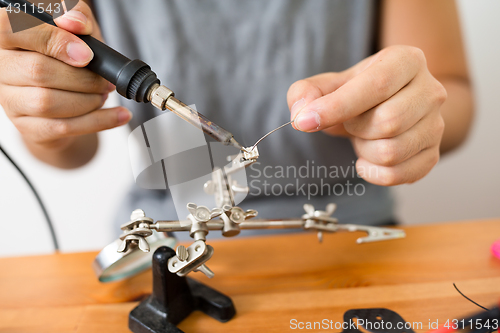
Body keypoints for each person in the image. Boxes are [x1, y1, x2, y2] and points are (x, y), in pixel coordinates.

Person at [0, 0, 473, 229]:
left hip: (346, 234)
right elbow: (66, 152)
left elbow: (453, 93)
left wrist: (403, 121)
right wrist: (47, 119)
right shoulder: (41, 4)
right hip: (169, 240)